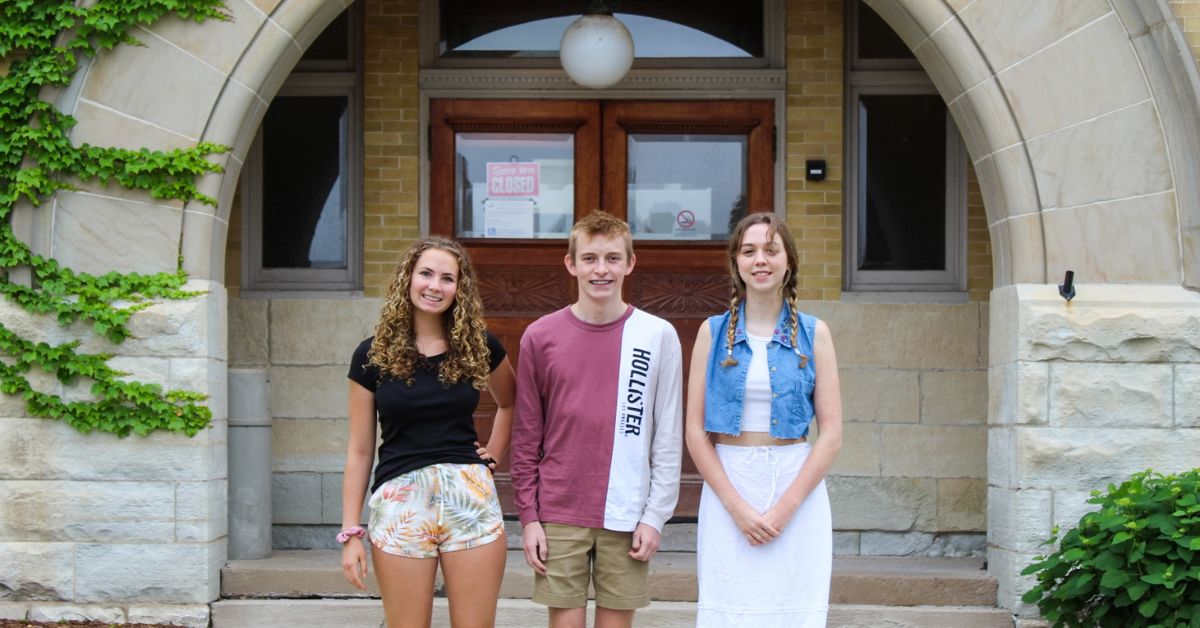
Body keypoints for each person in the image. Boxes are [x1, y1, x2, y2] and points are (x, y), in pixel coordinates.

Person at [510, 210, 684, 628]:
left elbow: (668, 434)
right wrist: (529, 518)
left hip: (627, 511)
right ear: (571, 264)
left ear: (630, 263)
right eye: (589, 258)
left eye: (611, 258)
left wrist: (655, 515)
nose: (600, 269)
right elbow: (527, 435)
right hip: (559, 510)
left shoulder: (657, 335)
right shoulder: (540, 335)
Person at [339, 236, 516, 628]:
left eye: (447, 278)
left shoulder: (477, 346)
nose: (435, 286)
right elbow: (359, 450)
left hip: (468, 499)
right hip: (401, 502)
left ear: (459, 289)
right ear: (408, 278)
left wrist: (495, 453)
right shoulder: (371, 355)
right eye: (426, 274)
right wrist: (352, 531)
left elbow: (509, 401)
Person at [685, 211, 843, 628]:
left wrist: (785, 509)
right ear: (736, 262)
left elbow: (831, 435)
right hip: (729, 484)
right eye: (749, 250)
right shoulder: (711, 332)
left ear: (788, 260)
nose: (760, 260)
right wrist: (737, 508)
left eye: (771, 250)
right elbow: (695, 432)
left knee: (794, 613)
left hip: (796, 485)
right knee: (730, 610)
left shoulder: (815, 334)